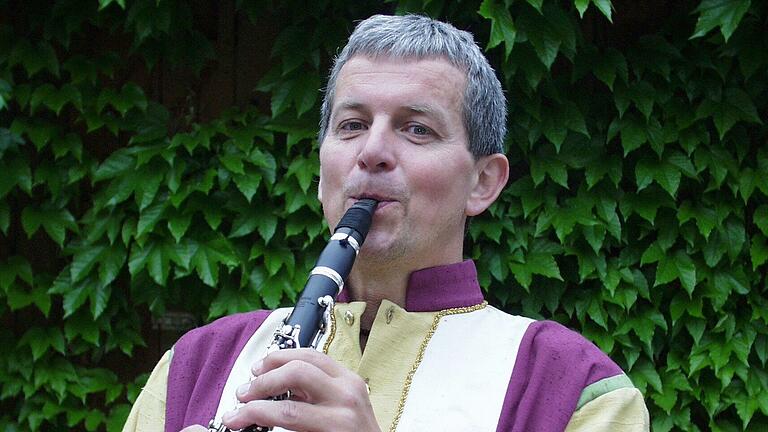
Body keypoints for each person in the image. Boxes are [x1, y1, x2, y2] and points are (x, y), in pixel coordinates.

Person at [123, 14, 650, 432]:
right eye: (351, 125)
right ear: (321, 168)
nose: (372, 151)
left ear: (483, 182)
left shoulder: (575, 390)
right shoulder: (195, 365)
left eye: (416, 129)